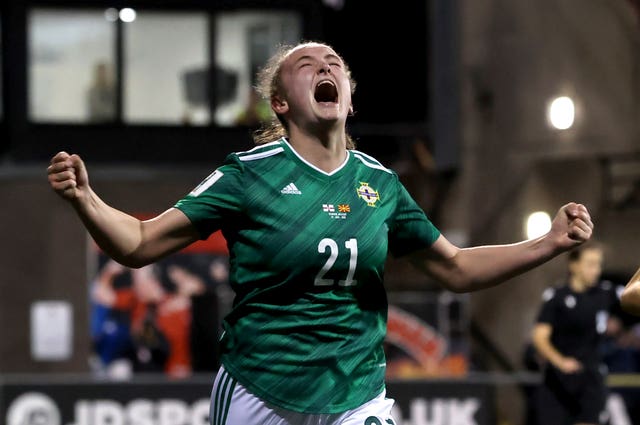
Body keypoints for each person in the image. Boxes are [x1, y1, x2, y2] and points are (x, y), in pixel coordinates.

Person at [48, 41, 594, 425]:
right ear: (280, 103)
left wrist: (546, 243)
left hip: (358, 395)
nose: (325, 63)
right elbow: (139, 246)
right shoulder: (250, 174)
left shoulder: (379, 184)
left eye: (334, 61)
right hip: (260, 390)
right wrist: (85, 199)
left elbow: (455, 267)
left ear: (350, 99)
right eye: (305, 63)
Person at [531, 243, 624, 425]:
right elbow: (539, 337)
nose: (596, 270)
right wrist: (561, 362)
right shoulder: (557, 297)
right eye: (590, 264)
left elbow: (631, 294)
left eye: (598, 264)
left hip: (591, 378)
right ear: (573, 265)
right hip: (559, 380)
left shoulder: (605, 293)